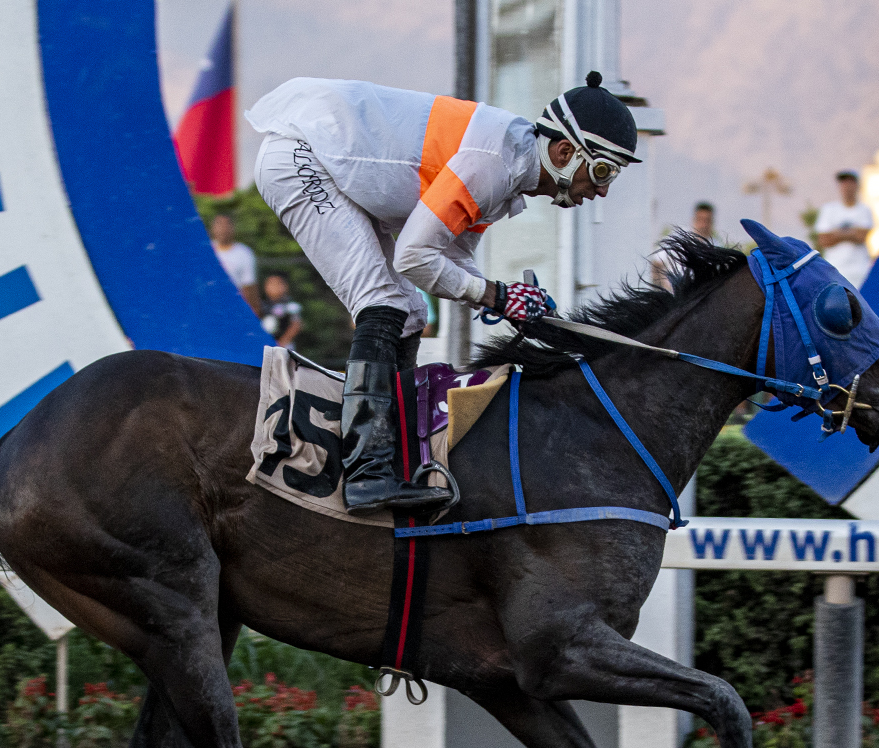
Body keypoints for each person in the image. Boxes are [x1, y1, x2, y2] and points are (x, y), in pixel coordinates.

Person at [247, 72, 642, 512]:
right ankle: (367, 475)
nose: (602, 190)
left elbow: (451, 259)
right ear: (565, 152)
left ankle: (392, 460)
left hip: (329, 161)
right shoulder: (493, 166)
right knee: (383, 302)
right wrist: (497, 296)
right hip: (300, 157)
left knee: (411, 314)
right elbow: (414, 258)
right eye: (603, 170)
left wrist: (508, 298)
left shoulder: (509, 169)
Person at [814, 170, 874, 289]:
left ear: (856, 185)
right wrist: (852, 232)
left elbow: (861, 237)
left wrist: (836, 233)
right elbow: (824, 240)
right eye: (844, 183)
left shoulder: (864, 210)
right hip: (834, 269)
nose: (847, 187)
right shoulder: (829, 209)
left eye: (850, 183)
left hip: (859, 271)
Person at [652, 201, 720, 290]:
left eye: (707, 220)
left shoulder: (717, 247)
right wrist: (662, 287)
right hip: (673, 293)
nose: (703, 225)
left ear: (712, 222)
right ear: (693, 219)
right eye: (700, 219)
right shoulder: (677, 237)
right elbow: (657, 264)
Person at [209, 213, 259, 313]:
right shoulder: (204, 250)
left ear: (233, 228)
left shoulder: (244, 253)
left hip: (233, 308)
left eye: (227, 225)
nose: (223, 229)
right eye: (219, 224)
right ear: (212, 228)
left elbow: (249, 287)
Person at [259, 273, 303, 348]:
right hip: (265, 344)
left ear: (285, 286)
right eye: (270, 284)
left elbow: (296, 325)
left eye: (277, 284)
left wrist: (281, 343)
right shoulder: (261, 305)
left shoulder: (291, 305)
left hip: (284, 346)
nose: (274, 287)